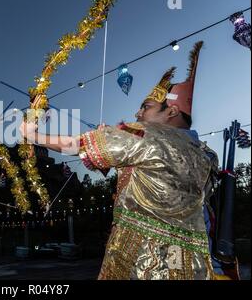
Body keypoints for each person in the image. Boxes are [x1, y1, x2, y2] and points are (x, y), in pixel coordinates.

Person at [20, 41, 220, 280]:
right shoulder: (205, 153)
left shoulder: (146, 135)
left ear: (172, 112)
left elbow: (79, 145)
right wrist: (115, 143)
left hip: (143, 261)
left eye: (146, 107)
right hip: (194, 263)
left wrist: (33, 135)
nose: (138, 114)